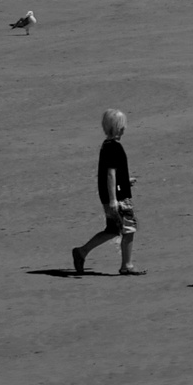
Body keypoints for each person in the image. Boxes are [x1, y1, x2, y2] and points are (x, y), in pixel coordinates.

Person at [72, 109, 144, 275]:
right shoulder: (114, 147)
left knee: (112, 229)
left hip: (112, 194)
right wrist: (113, 199)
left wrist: (125, 181)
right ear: (119, 127)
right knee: (129, 228)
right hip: (118, 197)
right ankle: (127, 265)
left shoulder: (107, 146)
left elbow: (113, 174)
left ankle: (82, 252)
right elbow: (110, 174)